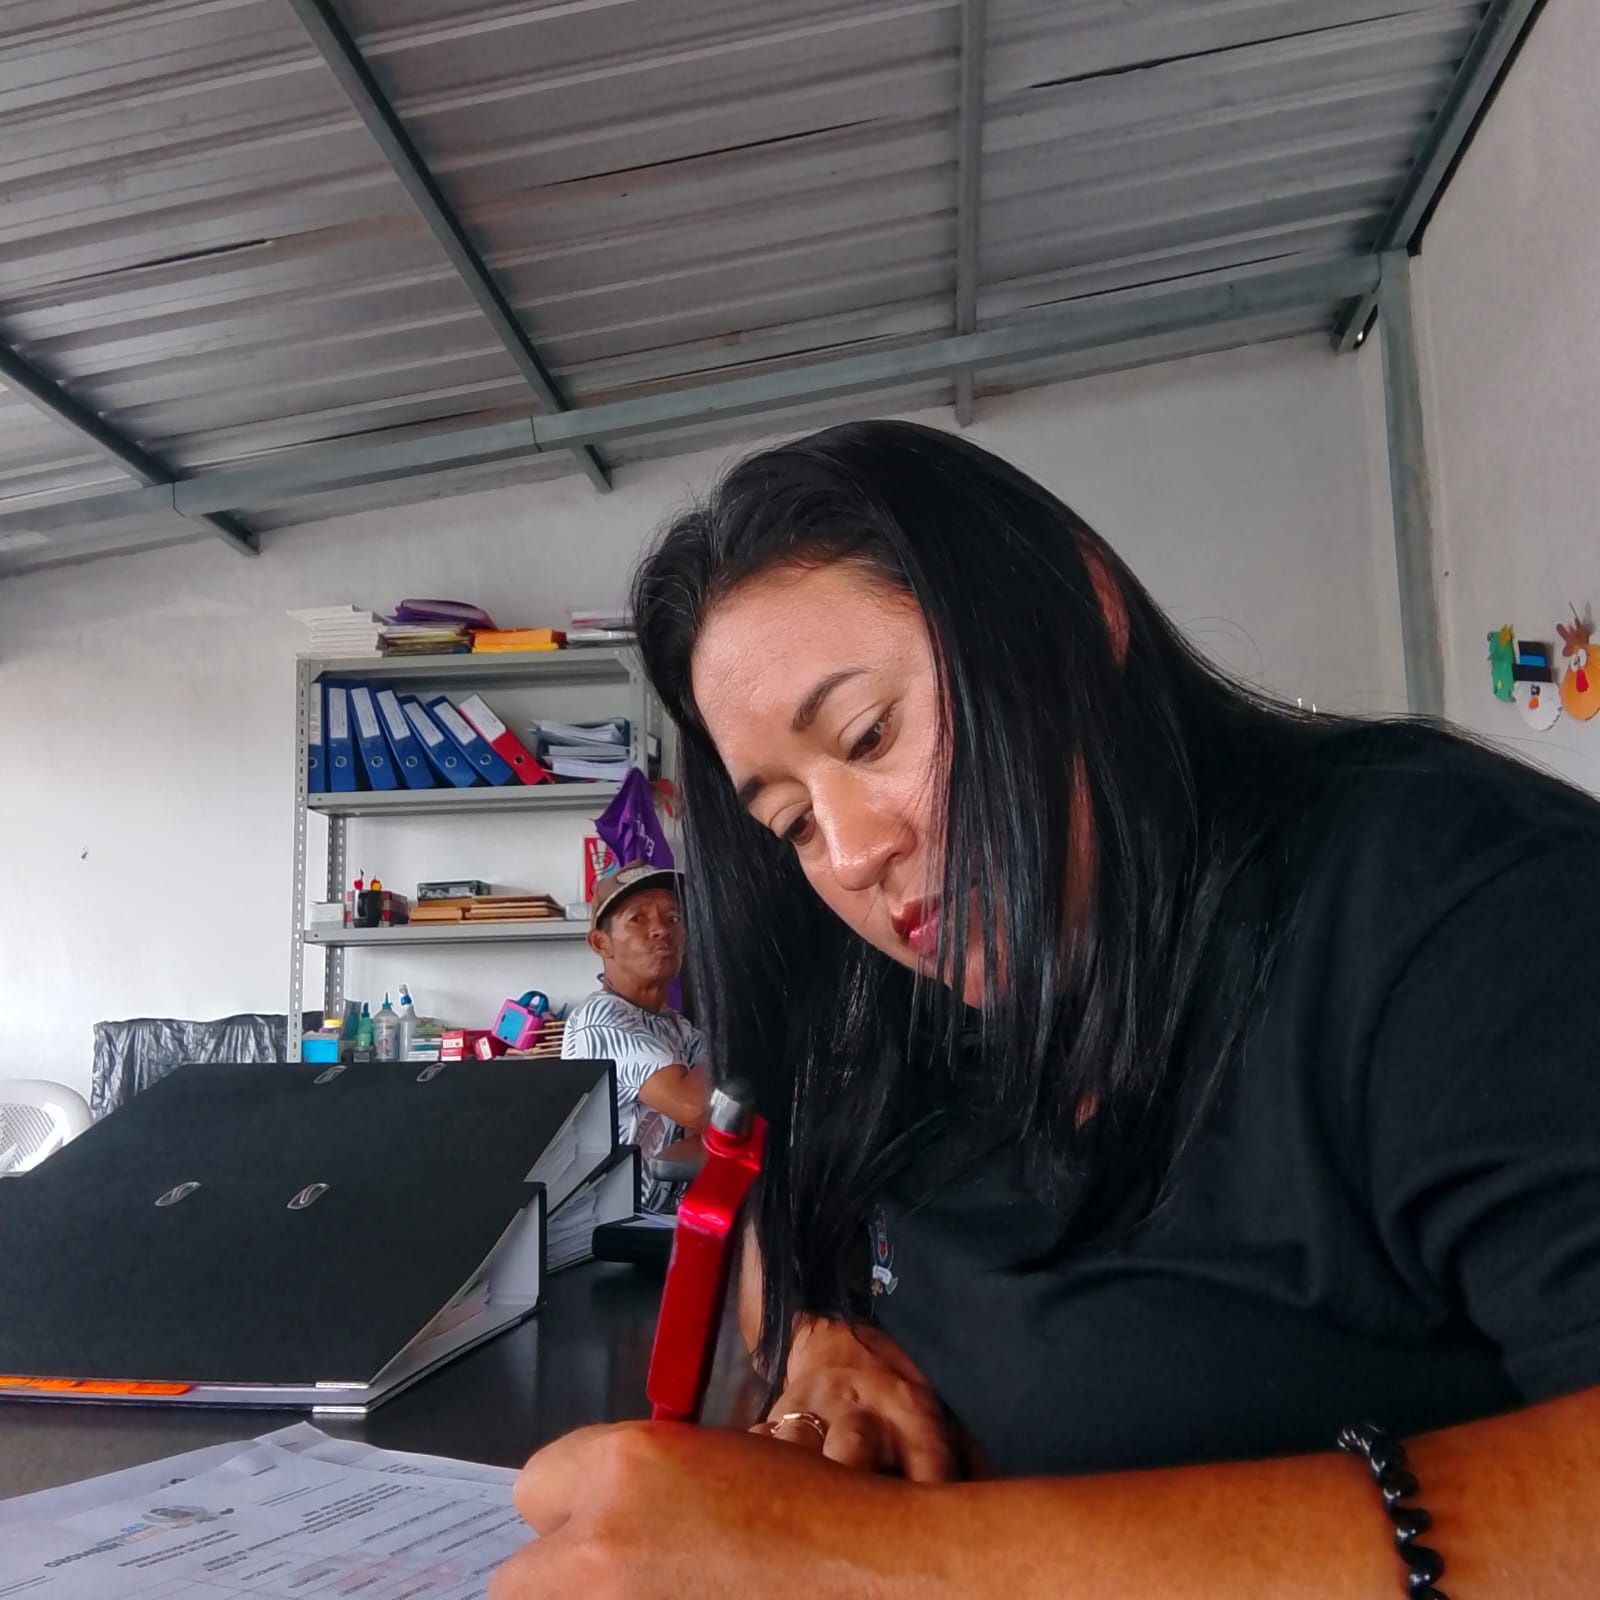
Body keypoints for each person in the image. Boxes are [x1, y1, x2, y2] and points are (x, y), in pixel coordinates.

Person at [492, 420, 1600, 1597]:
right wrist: (823, 1338)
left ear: (1077, 611)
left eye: (870, 735)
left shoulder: (1455, 905)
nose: (852, 854)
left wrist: (862, 1558)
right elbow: (786, 1211)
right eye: (793, 822)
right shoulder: (906, 1004)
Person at [561, 861, 708, 1210]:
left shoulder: (678, 1027)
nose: (661, 930)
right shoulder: (599, 1020)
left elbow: (733, 1102)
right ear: (601, 943)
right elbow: (696, 1107)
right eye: (637, 918)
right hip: (607, 1228)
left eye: (673, 918)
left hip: (663, 1218)